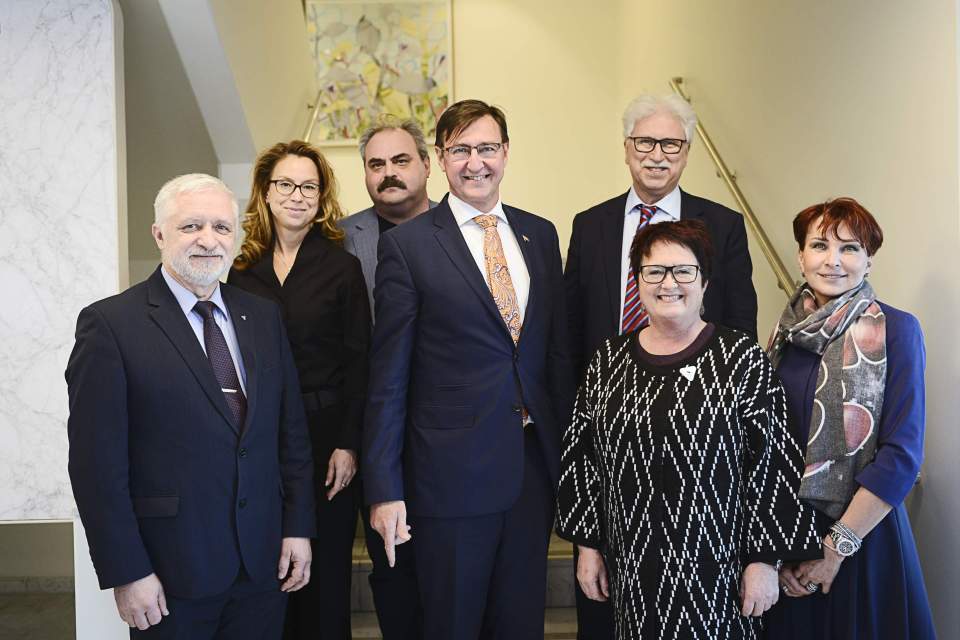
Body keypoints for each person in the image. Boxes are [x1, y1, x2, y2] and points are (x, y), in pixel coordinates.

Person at [66, 173, 315, 638]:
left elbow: (290, 433)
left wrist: (297, 527)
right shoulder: (110, 325)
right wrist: (127, 571)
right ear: (159, 234)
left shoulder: (261, 316)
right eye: (191, 226)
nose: (208, 240)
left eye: (221, 228)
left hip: (262, 568)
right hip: (169, 573)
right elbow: (95, 466)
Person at [362, 99, 575, 639]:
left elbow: (552, 355)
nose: (474, 161)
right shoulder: (408, 246)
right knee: (453, 623)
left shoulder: (540, 234)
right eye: (460, 149)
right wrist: (384, 487)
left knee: (520, 623)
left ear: (505, 154)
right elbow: (388, 376)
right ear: (439, 158)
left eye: (486, 148)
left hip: (529, 469)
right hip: (448, 475)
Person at [556, 219, 821, 640]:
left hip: (719, 570)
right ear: (637, 280)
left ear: (705, 280)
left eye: (683, 271)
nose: (669, 283)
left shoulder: (741, 359)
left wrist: (764, 560)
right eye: (654, 271)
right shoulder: (608, 361)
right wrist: (587, 547)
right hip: (632, 567)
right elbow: (583, 459)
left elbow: (772, 464)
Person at [564, 94, 760, 637]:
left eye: (670, 144)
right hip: (616, 440)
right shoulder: (591, 225)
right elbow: (573, 329)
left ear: (687, 152)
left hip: (701, 457)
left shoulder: (722, 224)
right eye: (645, 142)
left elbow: (740, 323)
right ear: (626, 149)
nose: (656, 155)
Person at [763, 198, 936, 639]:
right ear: (801, 257)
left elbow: (901, 454)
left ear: (869, 259)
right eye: (819, 245)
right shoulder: (782, 337)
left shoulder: (897, 329)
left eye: (850, 248)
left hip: (863, 537)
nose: (833, 261)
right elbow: (764, 444)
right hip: (787, 538)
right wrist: (776, 550)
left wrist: (834, 549)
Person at [228, 141, 369, 640]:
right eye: (285, 185)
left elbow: (360, 364)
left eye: (308, 186)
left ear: (322, 196)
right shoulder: (240, 271)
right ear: (266, 194)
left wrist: (349, 444)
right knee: (267, 575)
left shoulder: (341, 268)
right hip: (259, 438)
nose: (297, 195)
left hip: (326, 437)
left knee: (323, 578)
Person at [339, 117, 435, 640]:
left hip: (446, 428)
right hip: (376, 429)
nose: (389, 173)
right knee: (393, 568)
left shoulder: (462, 230)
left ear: (426, 164)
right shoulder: (340, 239)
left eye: (401, 160)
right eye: (377, 164)